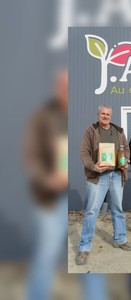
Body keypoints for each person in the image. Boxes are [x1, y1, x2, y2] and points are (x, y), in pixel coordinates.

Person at [23, 68, 68, 300]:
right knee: (46, 256)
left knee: (88, 257)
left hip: (82, 196)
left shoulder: (84, 114)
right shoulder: (42, 115)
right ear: (56, 88)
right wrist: (47, 178)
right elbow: (30, 156)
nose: (67, 91)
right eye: (63, 86)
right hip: (52, 198)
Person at [76, 105, 131, 266]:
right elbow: (84, 153)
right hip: (98, 177)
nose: (105, 116)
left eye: (108, 114)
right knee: (92, 211)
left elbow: (127, 149)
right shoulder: (91, 130)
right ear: (98, 115)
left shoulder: (119, 131)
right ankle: (85, 247)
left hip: (116, 175)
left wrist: (126, 160)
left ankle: (120, 239)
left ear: (111, 116)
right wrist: (93, 166)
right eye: (103, 114)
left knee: (117, 210)